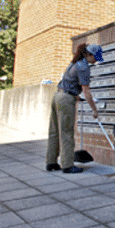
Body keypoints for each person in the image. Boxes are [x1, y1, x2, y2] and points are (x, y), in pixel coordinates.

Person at [46, 43, 103, 174]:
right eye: (95, 57)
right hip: (65, 99)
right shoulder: (83, 67)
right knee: (66, 132)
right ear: (88, 54)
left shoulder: (74, 63)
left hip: (57, 96)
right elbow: (86, 91)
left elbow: (69, 83)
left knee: (54, 131)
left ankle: (51, 162)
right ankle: (67, 165)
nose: (96, 60)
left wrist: (75, 96)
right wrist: (94, 110)